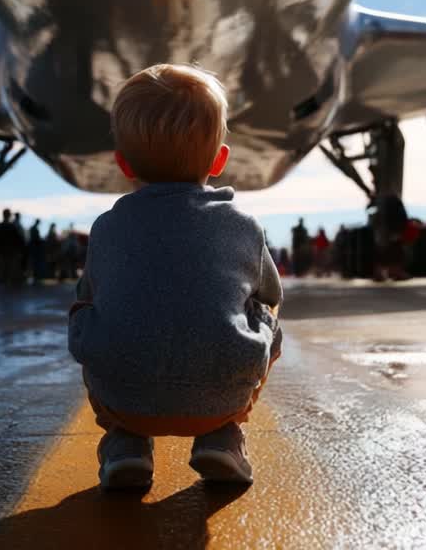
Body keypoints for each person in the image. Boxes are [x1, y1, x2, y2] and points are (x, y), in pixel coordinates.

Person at [70, 63, 282, 489]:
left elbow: (89, 297)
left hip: (124, 400)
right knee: (266, 314)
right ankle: (222, 436)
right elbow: (271, 294)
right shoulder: (244, 225)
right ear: (219, 160)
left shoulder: (105, 227)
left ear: (123, 164)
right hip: (220, 399)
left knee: (86, 313)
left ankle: (125, 444)